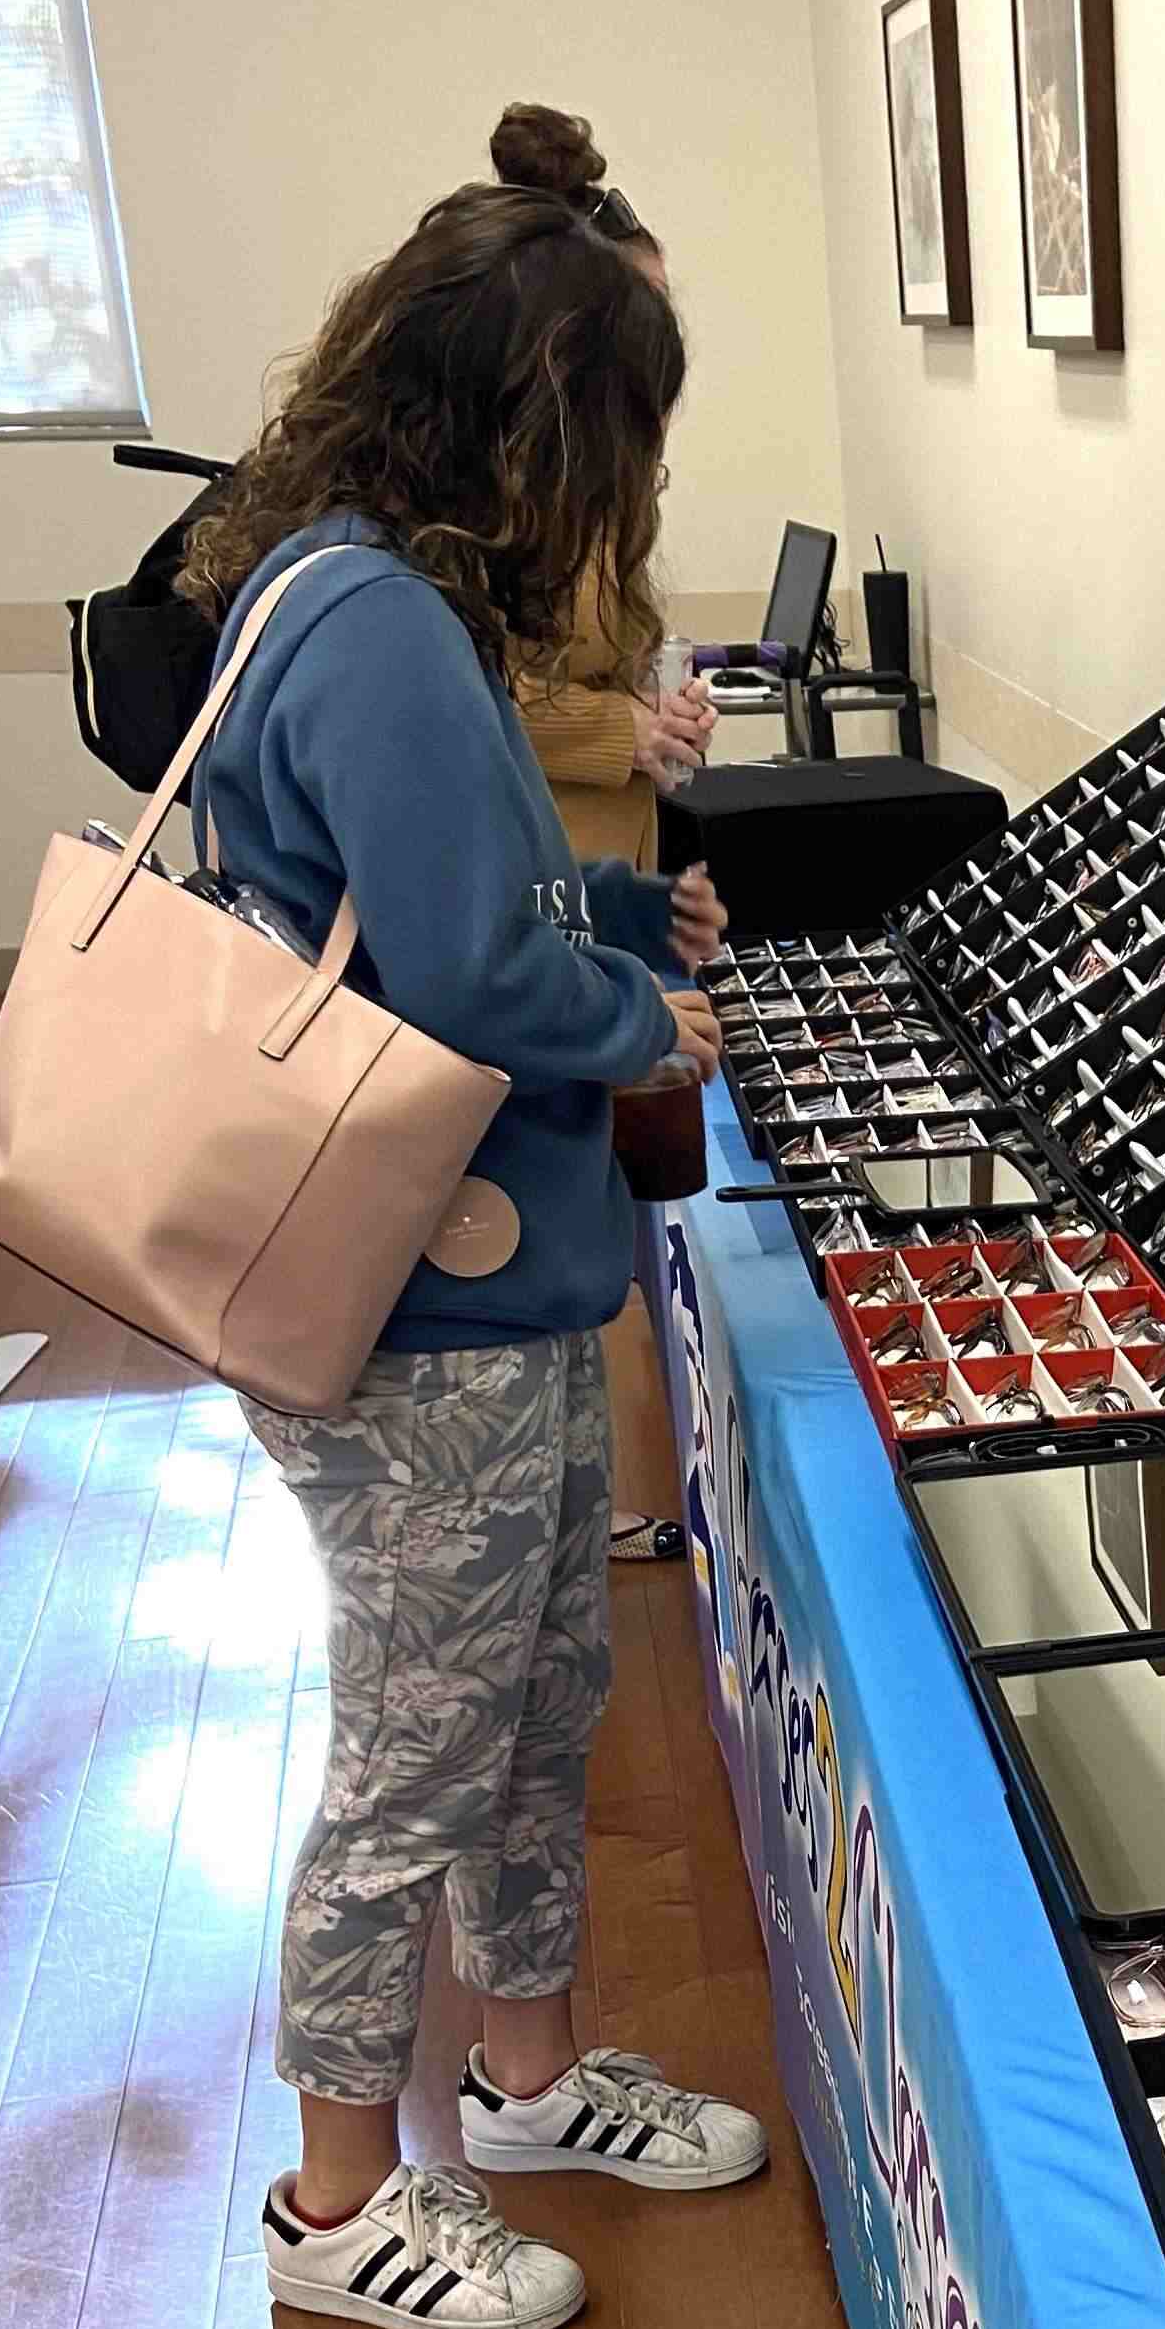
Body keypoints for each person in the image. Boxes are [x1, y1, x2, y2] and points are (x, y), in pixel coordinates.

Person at [182, 175, 767, 2329]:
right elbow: (449, 966)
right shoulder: (383, 632)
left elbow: (466, 893)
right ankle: (337, 2207)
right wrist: (642, 1019)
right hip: (422, 1313)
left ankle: (522, 2087)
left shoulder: (361, 597)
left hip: (482, 1298)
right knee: (417, 1758)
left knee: (529, 1712)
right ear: (540, 429)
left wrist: (620, 923)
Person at [491, 101, 712, 1565]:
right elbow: (493, 686)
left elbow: (602, 654)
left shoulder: (604, 497)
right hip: (543, 868)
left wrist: (661, 711)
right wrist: (617, 731)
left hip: (600, 861)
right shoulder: (479, 525)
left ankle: (634, 1485)